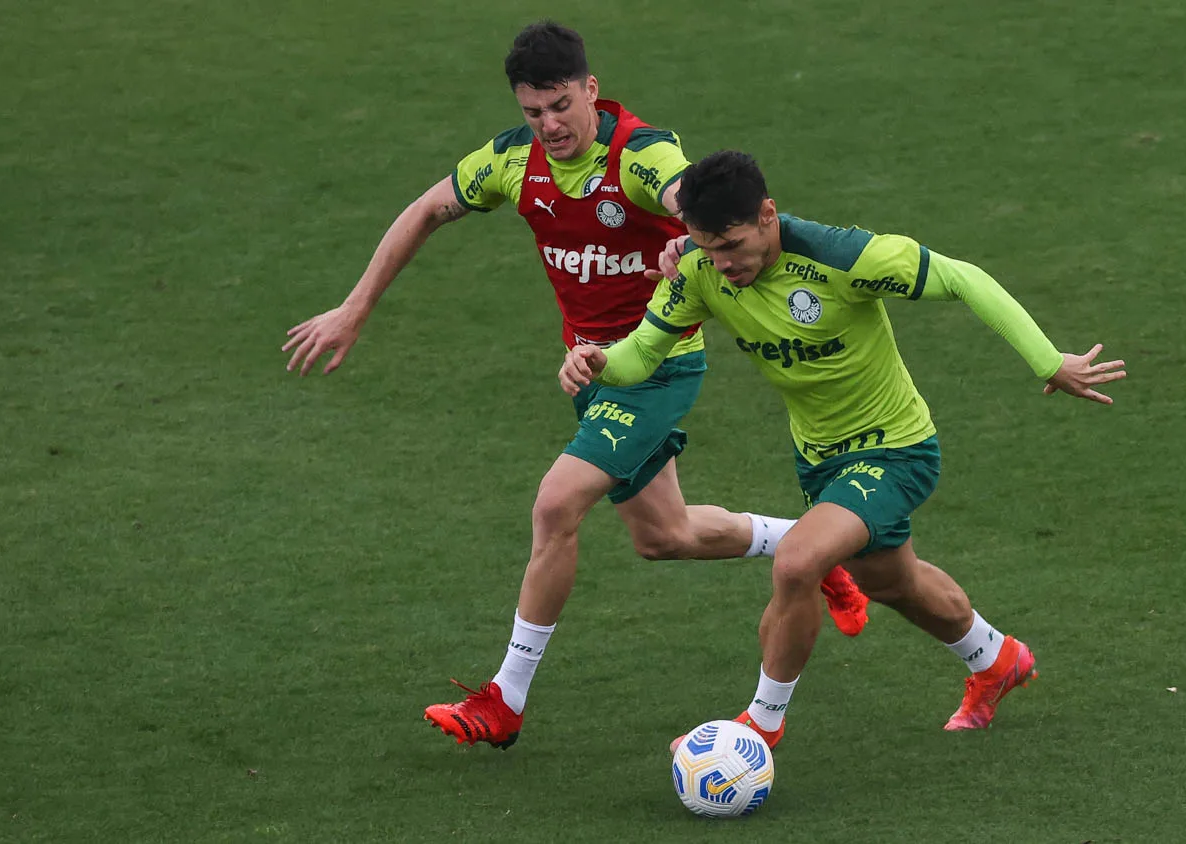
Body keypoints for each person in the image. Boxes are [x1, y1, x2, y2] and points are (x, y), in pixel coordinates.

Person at [281, 24, 869, 751]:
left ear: (591, 89)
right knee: (666, 536)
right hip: (590, 370)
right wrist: (355, 307)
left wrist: (686, 235)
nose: (550, 125)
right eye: (534, 112)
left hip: (658, 363)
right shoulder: (512, 162)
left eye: (561, 105)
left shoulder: (639, 156)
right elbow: (427, 208)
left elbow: (690, 192)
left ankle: (505, 699)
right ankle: (814, 549)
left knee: (556, 502)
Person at [560, 150, 1127, 746]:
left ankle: (761, 725)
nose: (722, 263)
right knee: (891, 583)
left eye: (731, 245)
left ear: (768, 216)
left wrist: (1049, 361)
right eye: (705, 246)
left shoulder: (845, 258)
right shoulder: (699, 271)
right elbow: (644, 353)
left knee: (799, 561)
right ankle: (996, 659)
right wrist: (601, 360)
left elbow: (962, 277)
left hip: (896, 450)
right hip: (820, 461)